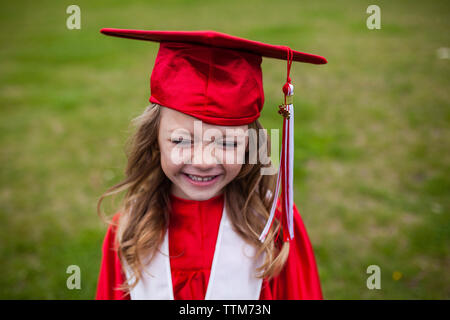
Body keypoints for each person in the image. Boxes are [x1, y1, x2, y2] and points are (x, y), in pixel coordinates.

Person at [95, 29, 326, 300]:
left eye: (227, 143)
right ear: (155, 140)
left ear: (251, 146)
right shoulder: (130, 229)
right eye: (181, 140)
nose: (203, 161)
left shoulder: (272, 225)